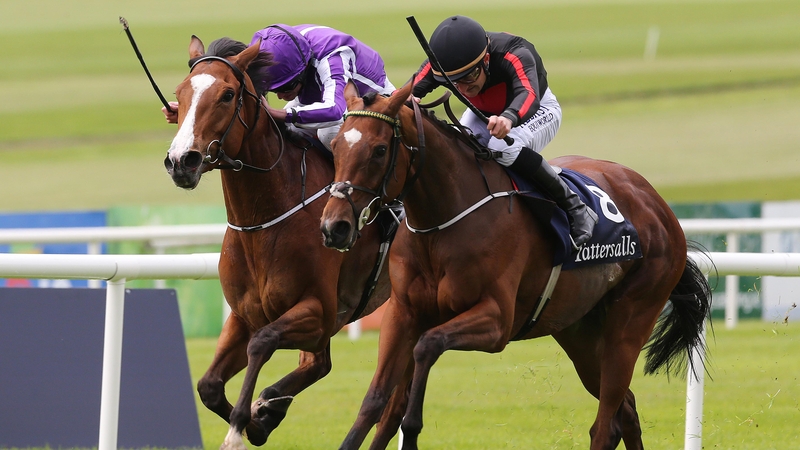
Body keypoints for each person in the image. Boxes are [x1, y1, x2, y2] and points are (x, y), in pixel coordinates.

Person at [411, 15, 597, 248]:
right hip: (485, 113)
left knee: (500, 148)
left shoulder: (515, 52)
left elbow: (528, 94)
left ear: (486, 59)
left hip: (535, 110)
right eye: (452, 82)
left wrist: (509, 118)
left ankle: (576, 208)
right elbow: (409, 90)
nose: (463, 89)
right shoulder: (441, 62)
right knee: (460, 147)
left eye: (469, 76)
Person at [164, 24, 396, 151]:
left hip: (367, 102)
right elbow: (238, 101)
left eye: (287, 86)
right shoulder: (275, 49)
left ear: (302, 70)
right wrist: (192, 112)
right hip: (318, 95)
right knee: (284, 130)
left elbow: (335, 110)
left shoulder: (333, 55)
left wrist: (280, 113)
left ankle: (369, 199)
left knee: (328, 132)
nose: (281, 95)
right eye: (275, 90)